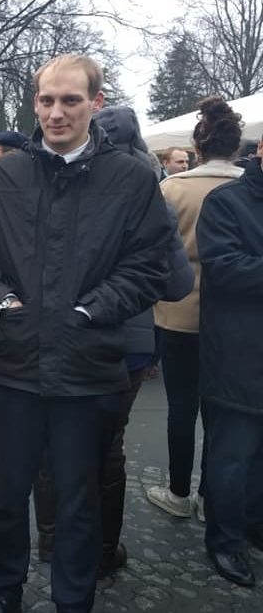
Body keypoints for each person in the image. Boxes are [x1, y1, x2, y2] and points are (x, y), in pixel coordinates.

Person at [0, 54, 172, 613]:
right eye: (46, 100)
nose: (56, 112)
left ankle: (75, 599)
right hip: (13, 364)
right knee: (4, 498)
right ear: (34, 102)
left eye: (70, 100)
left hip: (88, 367)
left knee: (78, 501)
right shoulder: (2, 175)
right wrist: (1, 299)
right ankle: (4, 593)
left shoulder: (133, 179)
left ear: (96, 103)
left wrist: (93, 310)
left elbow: (151, 266)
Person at [31, 104, 194, 578]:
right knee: (107, 446)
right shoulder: (150, 195)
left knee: (49, 438)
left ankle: (51, 541)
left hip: (60, 335)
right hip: (129, 344)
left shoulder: (53, 189)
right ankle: (101, 551)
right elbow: (177, 284)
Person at [148, 97, 245, 522]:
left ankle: (178, 490)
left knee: (181, 407)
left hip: (178, 311)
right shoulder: (248, 188)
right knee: (222, 410)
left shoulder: (173, 188)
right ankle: (211, 496)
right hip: (235, 314)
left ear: (198, 146)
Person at [197, 135, 263, 589]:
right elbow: (223, 267)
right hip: (239, 353)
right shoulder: (227, 201)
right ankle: (225, 539)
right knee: (233, 455)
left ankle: (254, 525)